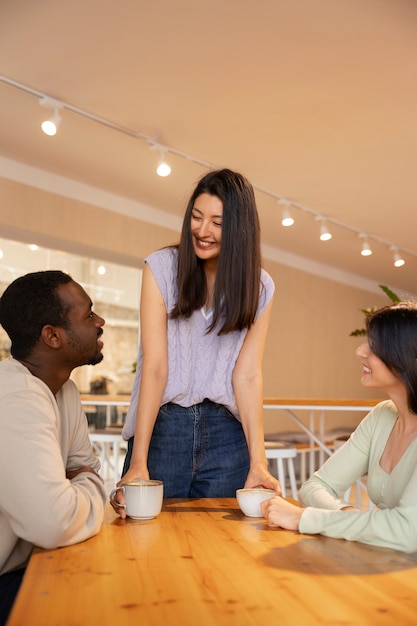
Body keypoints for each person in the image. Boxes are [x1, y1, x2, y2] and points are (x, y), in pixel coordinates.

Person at [118, 168, 280, 506]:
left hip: (227, 436)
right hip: (165, 428)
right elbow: (156, 367)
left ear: (240, 229)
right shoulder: (161, 267)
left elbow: (247, 375)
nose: (202, 231)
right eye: (196, 216)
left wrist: (258, 462)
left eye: (218, 223)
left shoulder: (260, 286)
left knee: (222, 548)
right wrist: (138, 461)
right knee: (147, 540)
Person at [261, 301, 417, 553]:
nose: (360, 351)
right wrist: (346, 516)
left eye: (375, 346)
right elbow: (315, 487)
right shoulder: (381, 417)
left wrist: (304, 519)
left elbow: (408, 531)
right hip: (388, 561)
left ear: (408, 356)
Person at [0, 270, 108, 624]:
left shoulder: (64, 390)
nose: (99, 322)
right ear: (53, 336)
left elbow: (83, 467)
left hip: (24, 564)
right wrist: (87, 487)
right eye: (89, 315)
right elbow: (54, 522)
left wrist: (77, 483)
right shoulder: (17, 396)